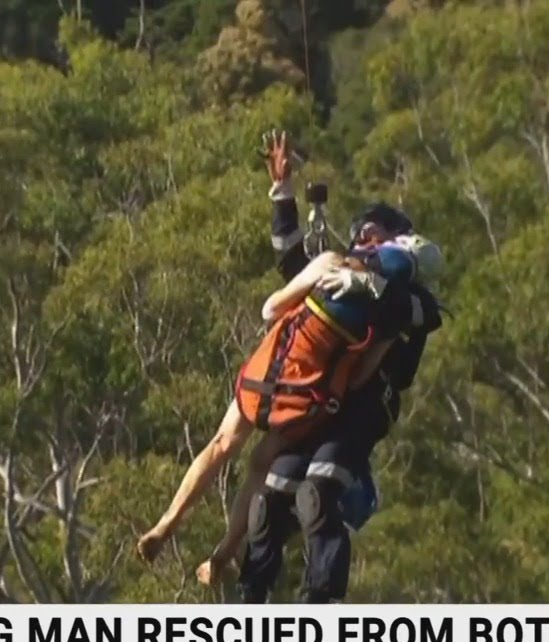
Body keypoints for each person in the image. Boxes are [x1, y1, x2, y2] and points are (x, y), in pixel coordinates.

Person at [196, 131, 446, 603]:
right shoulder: (342, 276)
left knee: (317, 494)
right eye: (361, 233)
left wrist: (366, 283)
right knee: (268, 499)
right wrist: (282, 192)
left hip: (362, 412)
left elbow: (413, 314)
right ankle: (251, 602)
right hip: (321, 407)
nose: (362, 238)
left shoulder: (407, 293)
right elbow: (294, 263)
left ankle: (321, 600)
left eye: (373, 232)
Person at [134, 196, 431, 564]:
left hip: (268, 375)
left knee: (221, 443)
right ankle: (223, 554)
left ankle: (165, 524)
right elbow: (359, 378)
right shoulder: (392, 317)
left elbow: (271, 308)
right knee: (262, 463)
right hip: (305, 398)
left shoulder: (330, 263)